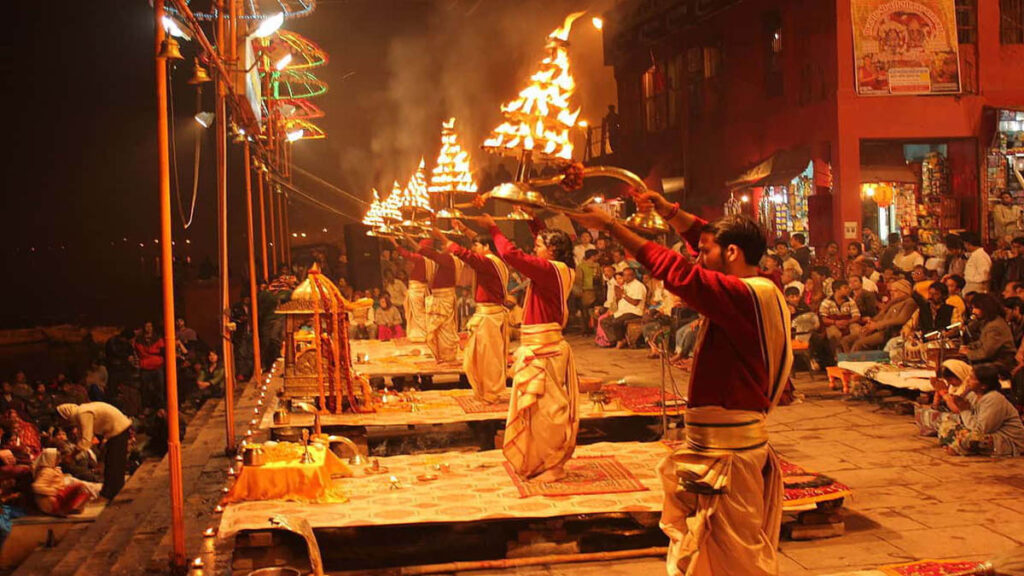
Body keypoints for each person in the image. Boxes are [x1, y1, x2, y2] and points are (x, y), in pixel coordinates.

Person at [571, 194, 791, 576]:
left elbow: (677, 272)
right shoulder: (758, 284)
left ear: (733, 252)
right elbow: (702, 246)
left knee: (733, 558)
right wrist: (667, 211)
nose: (697, 256)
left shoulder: (742, 295)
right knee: (711, 550)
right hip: (719, 443)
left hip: (730, 453)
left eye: (704, 251)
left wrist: (610, 227)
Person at [471, 213, 578, 483]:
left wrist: (494, 228)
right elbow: (538, 240)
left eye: (539, 246)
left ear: (551, 250)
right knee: (535, 412)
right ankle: (540, 460)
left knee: (547, 413)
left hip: (545, 349)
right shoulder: (556, 267)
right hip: (539, 346)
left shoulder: (551, 270)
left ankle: (553, 463)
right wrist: (531, 217)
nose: (535, 249)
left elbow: (513, 254)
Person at [442, 223, 510, 403]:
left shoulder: (488, 262)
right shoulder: (495, 260)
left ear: (487, 247)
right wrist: (464, 228)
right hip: (487, 316)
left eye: (477, 246)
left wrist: (441, 238)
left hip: (489, 318)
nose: (474, 248)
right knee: (476, 357)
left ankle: (490, 393)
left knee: (488, 358)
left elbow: (467, 256)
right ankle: (485, 391)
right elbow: (475, 245)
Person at [937, 363, 1024, 456]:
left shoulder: (994, 398)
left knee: (971, 438)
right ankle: (959, 445)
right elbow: (966, 421)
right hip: (981, 432)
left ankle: (959, 448)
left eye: (972, 378)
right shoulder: (973, 395)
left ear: (983, 386)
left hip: (1006, 440)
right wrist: (963, 395)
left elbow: (981, 430)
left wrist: (964, 410)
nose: (967, 381)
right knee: (946, 425)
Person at [56, 402, 132, 500]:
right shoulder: (80, 414)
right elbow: (82, 437)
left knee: (114, 462)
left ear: (64, 416)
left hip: (118, 429)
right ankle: (108, 491)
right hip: (113, 431)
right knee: (110, 462)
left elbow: (86, 440)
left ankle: (114, 492)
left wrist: (72, 455)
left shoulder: (82, 413)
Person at [413, 237, 463, 363]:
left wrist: (435, 233)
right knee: (441, 328)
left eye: (443, 245)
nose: (441, 247)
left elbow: (431, 254)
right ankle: (442, 355)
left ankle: (448, 355)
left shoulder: (449, 259)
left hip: (443, 298)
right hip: (440, 297)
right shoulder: (449, 260)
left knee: (445, 328)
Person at [842, 279, 916, 351]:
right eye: (891, 291)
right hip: (877, 329)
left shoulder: (909, 302)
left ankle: (852, 362)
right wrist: (870, 323)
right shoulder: (893, 302)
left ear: (904, 291)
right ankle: (845, 361)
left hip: (887, 332)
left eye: (895, 291)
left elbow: (901, 319)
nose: (891, 293)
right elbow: (880, 316)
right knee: (846, 340)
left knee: (859, 344)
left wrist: (877, 325)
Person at [31, 448, 97, 517]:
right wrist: (55, 491)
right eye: (56, 458)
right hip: (51, 502)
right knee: (79, 486)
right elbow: (36, 487)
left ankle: (73, 508)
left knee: (84, 491)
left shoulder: (54, 469)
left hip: (57, 498)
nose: (58, 461)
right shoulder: (46, 471)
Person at [392, 238, 434, 343]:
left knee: (418, 314)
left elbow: (405, 254)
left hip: (417, 290)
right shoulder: (432, 260)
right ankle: (422, 334)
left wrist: (394, 242)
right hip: (424, 289)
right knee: (421, 313)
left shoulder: (421, 258)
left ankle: (420, 335)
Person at [961, 293, 1016, 373]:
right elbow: (983, 342)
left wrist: (968, 353)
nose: (973, 311)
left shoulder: (995, 326)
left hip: (1000, 364)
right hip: (993, 361)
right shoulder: (990, 322)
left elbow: (985, 353)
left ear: (986, 308)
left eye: (976, 308)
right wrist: (969, 347)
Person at [600, 267, 647, 348]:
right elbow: (620, 298)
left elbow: (635, 302)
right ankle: (617, 340)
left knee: (616, 322)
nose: (626, 278)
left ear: (634, 276)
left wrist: (623, 295)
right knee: (604, 321)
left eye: (629, 276)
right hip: (622, 311)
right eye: (624, 275)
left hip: (634, 311)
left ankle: (620, 340)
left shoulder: (638, 286)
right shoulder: (626, 285)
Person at [820, 280, 861, 355]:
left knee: (857, 330)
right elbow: (823, 319)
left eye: (848, 288)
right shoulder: (826, 302)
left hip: (848, 323)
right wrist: (835, 322)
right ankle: (837, 355)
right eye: (845, 288)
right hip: (832, 324)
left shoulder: (850, 301)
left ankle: (854, 354)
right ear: (837, 289)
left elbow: (856, 316)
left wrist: (848, 322)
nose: (848, 290)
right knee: (834, 334)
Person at [133, 322, 165, 411]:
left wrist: (149, 352)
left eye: (150, 326)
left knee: (160, 388)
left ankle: (160, 408)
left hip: (158, 366)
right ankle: (146, 407)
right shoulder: (139, 340)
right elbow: (141, 352)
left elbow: (162, 351)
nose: (148, 328)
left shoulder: (158, 338)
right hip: (145, 367)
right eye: (146, 326)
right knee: (145, 388)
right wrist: (154, 351)